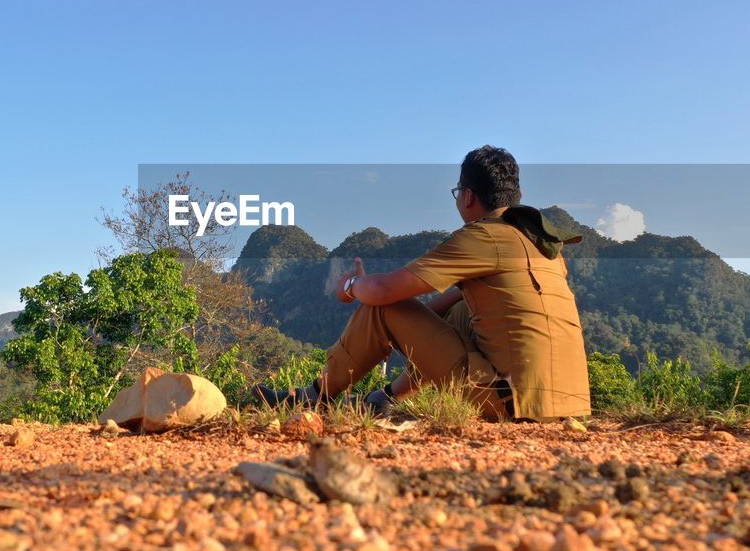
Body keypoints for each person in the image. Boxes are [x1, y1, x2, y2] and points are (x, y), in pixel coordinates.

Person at [252, 145, 591, 421]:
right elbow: (442, 310)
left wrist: (351, 285)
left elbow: (384, 292)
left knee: (382, 307)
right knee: (458, 311)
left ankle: (316, 396)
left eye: (458, 193)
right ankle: (383, 400)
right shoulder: (539, 243)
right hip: (568, 404)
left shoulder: (482, 237)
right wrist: (411, 325)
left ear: (469, 197)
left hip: (508, 402)